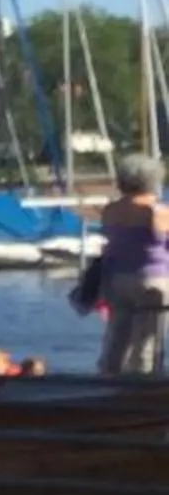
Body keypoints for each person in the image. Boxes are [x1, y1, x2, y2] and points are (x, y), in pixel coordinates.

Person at [97, 153, 169, 375]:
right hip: (153, 279)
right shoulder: (157, 212)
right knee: (148, 338)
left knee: (117, 333)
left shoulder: (110, 210)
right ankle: (143, 384)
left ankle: (108, 378)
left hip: (118, 278)